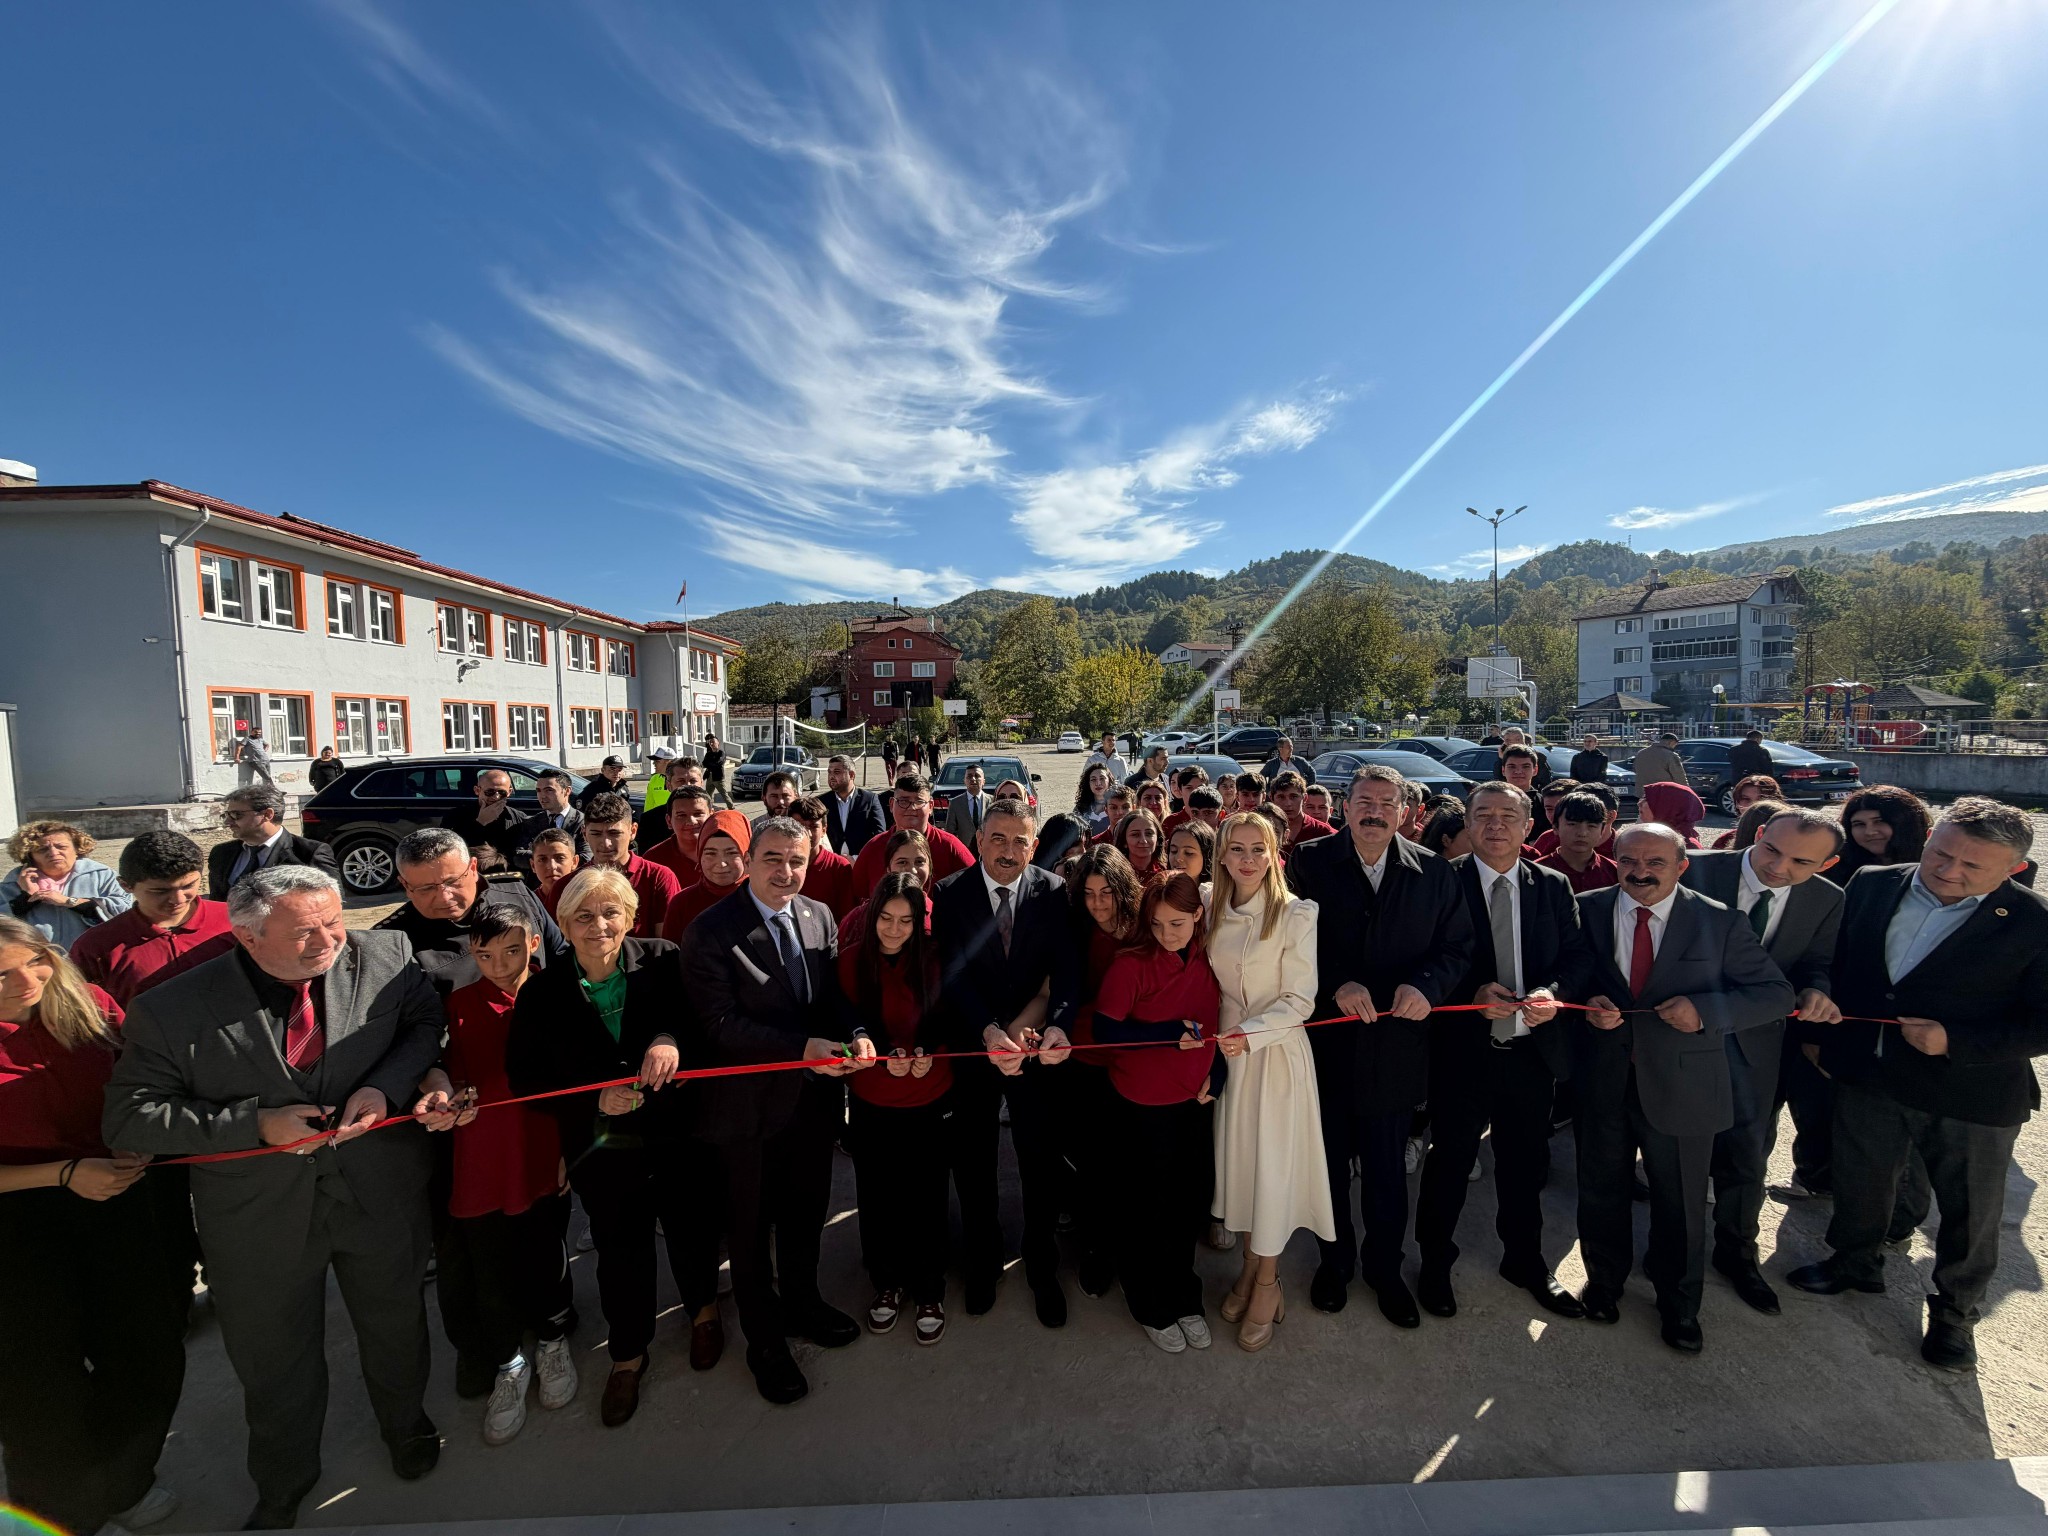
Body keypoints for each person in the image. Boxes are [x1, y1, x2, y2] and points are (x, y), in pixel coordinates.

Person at [106, 866, 444, 1527]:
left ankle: (406, 1426)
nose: (327, 941)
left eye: (333, 921)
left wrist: (387, 1087)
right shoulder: (172, 1008)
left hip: (377, 1190)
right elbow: (130, 1116)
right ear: (248, 935)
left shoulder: (387, 954)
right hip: (256, 1215)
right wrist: (253, 1123)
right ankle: (285, 1477)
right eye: (304, 931)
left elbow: (422, 1025)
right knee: (274, 1356)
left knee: (396, 1324)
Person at [1788, 797, 2048, 1372]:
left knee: (1969, 1213)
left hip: (1970, 1093)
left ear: (2011, 870)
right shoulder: (1872, 884)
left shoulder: (2035, 922)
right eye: (1941, 853)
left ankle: (1956, 1314)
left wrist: (1955, 1040)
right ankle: (1853, 1262)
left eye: (1971, 867)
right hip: (1871, 1074)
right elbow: (1838, 960)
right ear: (1928, 840)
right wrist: (1821, 1026)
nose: (1948, 871)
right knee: (1861, 1177)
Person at [0, 916, 195, 1536]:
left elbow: (137, 1087)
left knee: (148, 1351)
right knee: (39, 1381)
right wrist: (63, 1174)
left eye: (34, 962)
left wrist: (137, 1141)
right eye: (0, 975)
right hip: (18, 1221)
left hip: (117, 1196)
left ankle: (124, 1478)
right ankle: (63, 1511)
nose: (25, 980)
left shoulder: (88, 1003)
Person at [506, 866, 722, 1422]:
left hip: (676, 1133)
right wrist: (590, 1102)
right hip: (602, 1148)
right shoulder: (543, 992)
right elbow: (524, 1080)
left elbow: (702, 1027)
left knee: (691, 1227)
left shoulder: (664, 958)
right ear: (563, 924)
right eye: (583, 916)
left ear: (629, 917)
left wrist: (671, 1040)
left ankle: (702, 1311)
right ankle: (628, 1353)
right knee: (620, 1248)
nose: (598, 926)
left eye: (610, 913)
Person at [1572, 824, 1794, 1353]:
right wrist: (1584, 1006)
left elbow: (1775, 994)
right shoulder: (1587, 908)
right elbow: (1570, 975)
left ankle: (1679, 1305)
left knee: (1680, 1203)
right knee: (1601, 1190)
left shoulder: (1719, 922)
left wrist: (1705, 1014)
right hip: (1603, 1079)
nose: (1640, 872)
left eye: (1655, 862)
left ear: (1682, 866)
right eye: (1628, 860)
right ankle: (1603, 1284)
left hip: (1684, 1085)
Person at [675, 817, 875, 1404]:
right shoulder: (710, 931)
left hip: (811, 1107)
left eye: (796, 859)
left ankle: (804, 1303)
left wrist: (857, 1032)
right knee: (750, 1228)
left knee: (805, 1212)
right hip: (746, 1115)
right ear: (748, 859)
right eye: (772, 859)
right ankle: (764, 1341)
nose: (785, 871)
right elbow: (717, 1025)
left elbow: (834, 997)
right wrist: (799, 1050)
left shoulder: (816, 915)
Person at [1290, 765, 1472, 1327]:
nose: (1374, 811)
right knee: (1329, 1167)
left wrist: (1428, 986)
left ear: (1406, 813)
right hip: (1329, 1046)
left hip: (1397, 1047)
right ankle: (1335, 1261)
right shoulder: (1308, 862)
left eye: (1387, 803)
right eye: (1364, 800)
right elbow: (1290, 945)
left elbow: (1456, 948)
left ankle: (1384, 1269)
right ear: (1344, 807)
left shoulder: (1434, 873)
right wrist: (1335, 981)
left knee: (1388, 1170)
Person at [1416, 783, 1597, 1320]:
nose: (1496, 825)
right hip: (1462, 1054)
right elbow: (1421, 958)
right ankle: (1433, 1261)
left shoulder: (1552, 886)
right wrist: (1468, 993)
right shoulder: (1438, 881)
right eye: (1483, 815)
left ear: (1527, 826)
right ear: (1467, 825)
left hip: (1529, 1053)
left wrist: (1554, 994)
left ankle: (1523, 1259)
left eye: (1508, 816)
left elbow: (1577, 957)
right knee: (1449, 1161)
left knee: (1525, 1164)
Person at [411, 905, 577, 1445]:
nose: (499, 965)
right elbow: (450, 1069)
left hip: (542, 1145)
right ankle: (507, 1361)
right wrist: (444, 1093)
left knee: (547, 1247)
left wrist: (571, 1149)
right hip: (481, 1152)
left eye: (510, 950)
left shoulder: (559, 993)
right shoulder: (458, 1003)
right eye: (484, 954)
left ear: (533, 942)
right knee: (487, 1260)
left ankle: (553, 1342)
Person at [1678, 809, 1844, 1315]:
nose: (1778, 867)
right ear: (1757, 834)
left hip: (1758, 1045)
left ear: (1828, 864)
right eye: (1771, 850)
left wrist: (1817, 989)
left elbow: (1816, 960)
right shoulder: (1695, 869)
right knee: (1675, 1154)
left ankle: (1736, 1252)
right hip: (1677, 1033)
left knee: (1746, 1153)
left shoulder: (1826, 899)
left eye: (1801, 861)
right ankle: (1675, 1255)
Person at [931, 799, 1080, 1327]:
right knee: (973, 1162)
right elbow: (952, 974)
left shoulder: (1056, 892)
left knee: (1038, 1161)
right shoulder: (950, 894)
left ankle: (1042, 1266)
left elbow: (1067, 970)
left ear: (1035, 846)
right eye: (998, 838)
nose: (1009, 851)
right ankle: (983, 1261)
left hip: (1036, 1051)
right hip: (977, 1049)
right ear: (978, 841)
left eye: (1021, 841)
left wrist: (1059, 1024)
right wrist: (988, 1031)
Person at [1208, 813, 1332, 1351]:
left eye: (1258, 848)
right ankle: (1245, 1269)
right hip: (1229, 1060)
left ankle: (1267, 1282)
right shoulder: (1212, 903)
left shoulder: (1296, 913)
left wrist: (1251, 1034)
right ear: (1223, 854)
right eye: (1236, 849)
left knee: (1273, 1173)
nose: (1248, 859)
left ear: (1275, 850)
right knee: (1241, 1170)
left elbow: (1300, 1000)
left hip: (1275, 1057)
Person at [1093, 871, 1225, 1353]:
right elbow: (1105, 1033)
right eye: (1157, 924)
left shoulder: (1211, 959)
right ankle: (1147, 1297)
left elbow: (1222, 1024)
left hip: (1193, 1102)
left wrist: (1222, 1074)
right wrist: (1167, 1031)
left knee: (1186, 1206)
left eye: (1177, 923)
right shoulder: (1132, 964)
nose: (1167, 934)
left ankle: (1184, 1294)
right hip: (1141, 1106)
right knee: (1145, 1208)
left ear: (1198, 917)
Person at [840, 872, 955, 1346]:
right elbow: (846, 1013)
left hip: (929, 1096)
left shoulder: (933, 959)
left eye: (905, 921)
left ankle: (930, 1288)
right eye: (885, 918)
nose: (893, 930)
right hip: (873, 1098)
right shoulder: (851, 961)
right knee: (879, 1193)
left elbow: (948, 1015)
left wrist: (929, 1048)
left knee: (927, 1195)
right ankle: (888, 1283)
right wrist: (866, 1039)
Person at [1060, 845, 1144, 1297]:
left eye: (1106, 892)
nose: (1097, 903)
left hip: (1133, 1060)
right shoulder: (1078, 931)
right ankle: (1094, 1249)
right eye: (1089, 893)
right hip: (1085, 1059)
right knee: (1092, 1163)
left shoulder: (1142, 930)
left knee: (1127, 1163)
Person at [375, 827, 563, 996]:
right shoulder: (391, 943)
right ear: (406, 886)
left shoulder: (516, 894)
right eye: (427, 888)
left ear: (473, 869)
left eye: (452, 882)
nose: (444, 897)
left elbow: (562, 958)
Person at [70, 831, 234, 1006]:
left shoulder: (238, 920)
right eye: (161, 891)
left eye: (188, 886)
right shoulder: (96, 946)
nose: (178, 899)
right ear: (125, 885)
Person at [4, 818, 132, 953]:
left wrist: (72, 902)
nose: (53, 853)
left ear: (77, 849)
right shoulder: (13, 883)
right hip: (38, 961)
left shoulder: (102, 875)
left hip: (91, 959)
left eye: (61, 847)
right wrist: (25, 899)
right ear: (29, 856)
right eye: (42, 849)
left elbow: (124, 911)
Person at [849, 773, 974, 898]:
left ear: (931, 806)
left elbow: (976, 888)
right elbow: (855, 898)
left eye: (919, 801)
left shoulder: (949, 846)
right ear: (892, 805)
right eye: (903, 801)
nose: (911, 808)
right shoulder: (873, 848)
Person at [206, 785, 340, 901]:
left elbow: (330, 902)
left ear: (267, 815)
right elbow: (216, 901)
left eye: (236, 815)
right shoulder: (221, 853)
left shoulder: (308, 854)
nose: (227, 822)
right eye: (226, 815)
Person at [582, 792, 681, 938]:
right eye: (596, 834)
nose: (605, 843)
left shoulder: (658, 878)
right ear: (584, 834)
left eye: (614, 833)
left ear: (633, 831)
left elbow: (667, 943)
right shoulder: (570, 885)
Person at [659, 811, 753, 940]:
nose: (721, 863)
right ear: (699, 855)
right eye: (710, 853)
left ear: (747, 857)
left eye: (732, 853)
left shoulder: (763, 900)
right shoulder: (682, 904)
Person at [1828, 785, 1934, 886]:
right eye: (1859, 824)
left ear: (1907, 823)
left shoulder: (1934, 868)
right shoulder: (1833, 870)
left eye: (1879, 821)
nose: (1869, 832)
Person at [442, 768, 533, 865]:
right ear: (477, 790)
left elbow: (522, 852)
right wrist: (480, 822)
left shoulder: (518, 818)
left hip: (508, 874)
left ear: (509, 792)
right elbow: (449, 850)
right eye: (490, 792)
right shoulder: (456, 816)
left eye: (502, 793)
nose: (496, 797)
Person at [1537, 791, 1621, 894]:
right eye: (1572, 824)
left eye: (1592, 826)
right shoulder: (1536, 873)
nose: (1582, 833)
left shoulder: (1616, 872)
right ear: (1555, 827)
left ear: (1602, 830)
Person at [642, 784, 714, 888]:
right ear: (669, 821)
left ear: (712, 816)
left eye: (698, 814)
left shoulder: (729, 852)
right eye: (681, 815)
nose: (691, 821)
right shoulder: (653, 859)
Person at [514, 770, 586, 868]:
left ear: (567, 791)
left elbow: (585, 858)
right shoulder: (532, 822)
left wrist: (541, 857)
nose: (542, 796)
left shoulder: (582, 822)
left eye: (549, 790)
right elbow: (518, 857)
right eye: (538, 790)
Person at [823, 755, 888, 857]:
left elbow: (879, 835)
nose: (831, 776)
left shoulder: (869, 799)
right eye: (829, 772)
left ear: (851, 775)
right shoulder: (821, 802)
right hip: (831, 864)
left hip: (862, 862)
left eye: (836, 772)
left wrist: (859, 859)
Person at [1269, 771, 1335, 850]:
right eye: (1281, 797)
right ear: (1271, 798)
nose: (1288, 803)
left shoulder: (1324, 832)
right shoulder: (1263, 831)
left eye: (1293, 797)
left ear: (1305, 798)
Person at [527, 829, 583, 919]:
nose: (552, 866)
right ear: (533, 865)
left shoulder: (586, 898)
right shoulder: (528, 904)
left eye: (560, 858)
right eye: (542, 859)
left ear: (574, 862)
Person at [1640, 780, 1706, 848]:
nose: (1639, 803)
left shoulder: (1682, 847)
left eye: (1647, 799)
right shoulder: (1652, 838)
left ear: (1667, 807)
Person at [1113, 807, 1168, 884]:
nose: (1143, 840)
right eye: (1135, 834)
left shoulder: (1167, 874)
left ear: (1158, 839)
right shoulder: (1113, 875)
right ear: (1124, 841)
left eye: (1149, 834)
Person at [943, 762, 992, 844]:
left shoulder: (993, 801)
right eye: (969, 776)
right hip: (965, 850)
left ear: (983, 781)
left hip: (988, 850)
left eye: (977, 776)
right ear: (965, 781)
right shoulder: (955, 803)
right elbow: (950, 832)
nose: (973, 779)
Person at [1167, 819, 1215, 884]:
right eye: (1174, 851)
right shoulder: (1160, 890)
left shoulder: (1218, 893)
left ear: (1208, 856)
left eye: (1188, 853)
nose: (1178, 858)